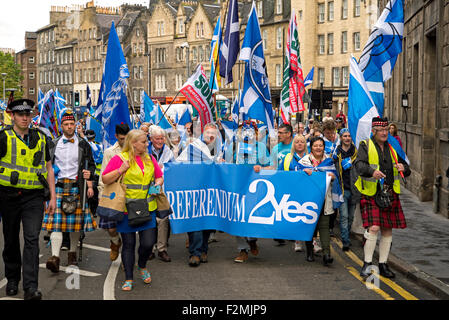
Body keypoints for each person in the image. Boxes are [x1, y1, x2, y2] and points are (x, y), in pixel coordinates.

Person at [0, 99, 56, 300]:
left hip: (34, 196)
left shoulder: (41, 138)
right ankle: (13, 279)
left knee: (32, 239)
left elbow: (49, 168)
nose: (25, 118)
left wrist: (53, 196)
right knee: (11, 238)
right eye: (21, 114)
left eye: (28, 114)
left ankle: (31, 287)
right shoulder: (3, 137)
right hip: (8, 196)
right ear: (13, 116)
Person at [102, 129, 163, 291]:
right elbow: (105, 178)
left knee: (148, 244)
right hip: (126, 210)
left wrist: (158, 182)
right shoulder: (119, 159)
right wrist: (120, 170)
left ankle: (142, 265)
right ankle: (129, 277)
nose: (147, 144)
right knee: (128, 244)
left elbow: (159, 175)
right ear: (133, 143)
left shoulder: (150, 159)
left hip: (148, 208)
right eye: (144, 142)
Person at [355, 117, 410, 280]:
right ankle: (367, 263)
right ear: (374, 131)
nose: (385, 133)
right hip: (372, 192)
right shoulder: (365, 145)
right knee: (374, 228)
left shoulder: (393, 147)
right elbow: (359, 165)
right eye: (382, 130)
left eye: (386, 130)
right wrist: (372, 172)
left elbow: (406, 168)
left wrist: (404, 168)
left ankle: (383, 264)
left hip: (390, 192)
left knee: (387, 229)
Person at [43, 109, 97, 272]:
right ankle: (55, 258)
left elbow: (92, 165)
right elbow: (45, 165)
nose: (69, 127)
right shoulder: (52, 144)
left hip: (76, 187)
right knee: (56, 225)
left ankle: (72, 255)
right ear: (61, 126)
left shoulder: (83, 144)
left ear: (76, 124)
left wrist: (90, 175)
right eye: (66, 124)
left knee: (75, 226)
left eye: (72, 124)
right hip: (58, 187)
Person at [177, 123, 221, 266]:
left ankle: (203, 250)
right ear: (203, 132)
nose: (211, 135)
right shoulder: (193, 146)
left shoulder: (219, 148)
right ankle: (194, 253)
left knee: (208, 221)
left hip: (211, 190)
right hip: (195, 190)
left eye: (213, 133)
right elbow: (179, 163)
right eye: (208, 132)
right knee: (195, 221)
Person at [227, 123, 270, 263]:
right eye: (244, 131)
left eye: (250, 132)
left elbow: (271, 166)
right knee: (237, 216)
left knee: (251, 217)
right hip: (237, 187)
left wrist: (261, 168)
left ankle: (251, 240)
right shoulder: (233, 147)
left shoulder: (262, 147)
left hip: (255, 189)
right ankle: (242, 249)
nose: (247, 134)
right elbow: (226, 166)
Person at [300, 136, 336, 266]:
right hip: (309, 200)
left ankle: (327, 254)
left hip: (325, 199)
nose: (318, 148)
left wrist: (332, 177)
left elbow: (334, 176)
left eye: (321, 145)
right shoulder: (304, 161)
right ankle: (309, 251)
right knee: (310, 226)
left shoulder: (329, 161)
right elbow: (298, 178)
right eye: (316, 145)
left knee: (324, 226)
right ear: (311, 147)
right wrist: (304, 173)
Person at [98, 123, 130, 262]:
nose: (124, 141)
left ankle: (126, 260)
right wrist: (101, 197)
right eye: (122, 138)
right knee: (111, 229)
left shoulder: (134, 150)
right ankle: (115, 243)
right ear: (116, 137)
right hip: (112, 193)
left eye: (127, 138)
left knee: (127, 231)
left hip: (129, 194)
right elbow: (103, 176)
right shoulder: (110, 152)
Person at [148, 125, 175, 263]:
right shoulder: (145, 150)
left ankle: (162, 249)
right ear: (151, 139)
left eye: (162, 138)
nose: (160, 141)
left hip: (163, 188)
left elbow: (171, 169)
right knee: (150, 218)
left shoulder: (168, 151)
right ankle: (149, 248)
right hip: (147, 188)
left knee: (163, 218)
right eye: (157, 138)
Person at [279, 134, 308, 252]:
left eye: (302, 142)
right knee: (297, 216)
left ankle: (314, 241)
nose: (300, 144)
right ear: (293, 144)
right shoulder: (287, 158)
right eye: (297, 142)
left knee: (309, 217)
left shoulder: (310, 157)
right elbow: (280, 173)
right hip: (293, 193)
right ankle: (297, 240)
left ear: (305, 144)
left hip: (308, 192)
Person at [334, 128, 359, 251]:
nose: (347, 138)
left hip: (354, 189)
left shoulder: (356, 153)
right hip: (342, 190)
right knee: (343, 216)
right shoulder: (336, 154)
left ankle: (347, 234)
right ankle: (345, 241)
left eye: (349, 136)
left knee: (350, 217)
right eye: (345, 136)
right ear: (341, 138)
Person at [83, 130, 103, 218]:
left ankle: (93, 211)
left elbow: (99, 158)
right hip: (86, 173)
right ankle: (89, 211)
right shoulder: (83, 145)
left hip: (95, 174)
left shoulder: (98, 146)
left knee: (93, 194)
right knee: (87, 193)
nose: (90, 139)